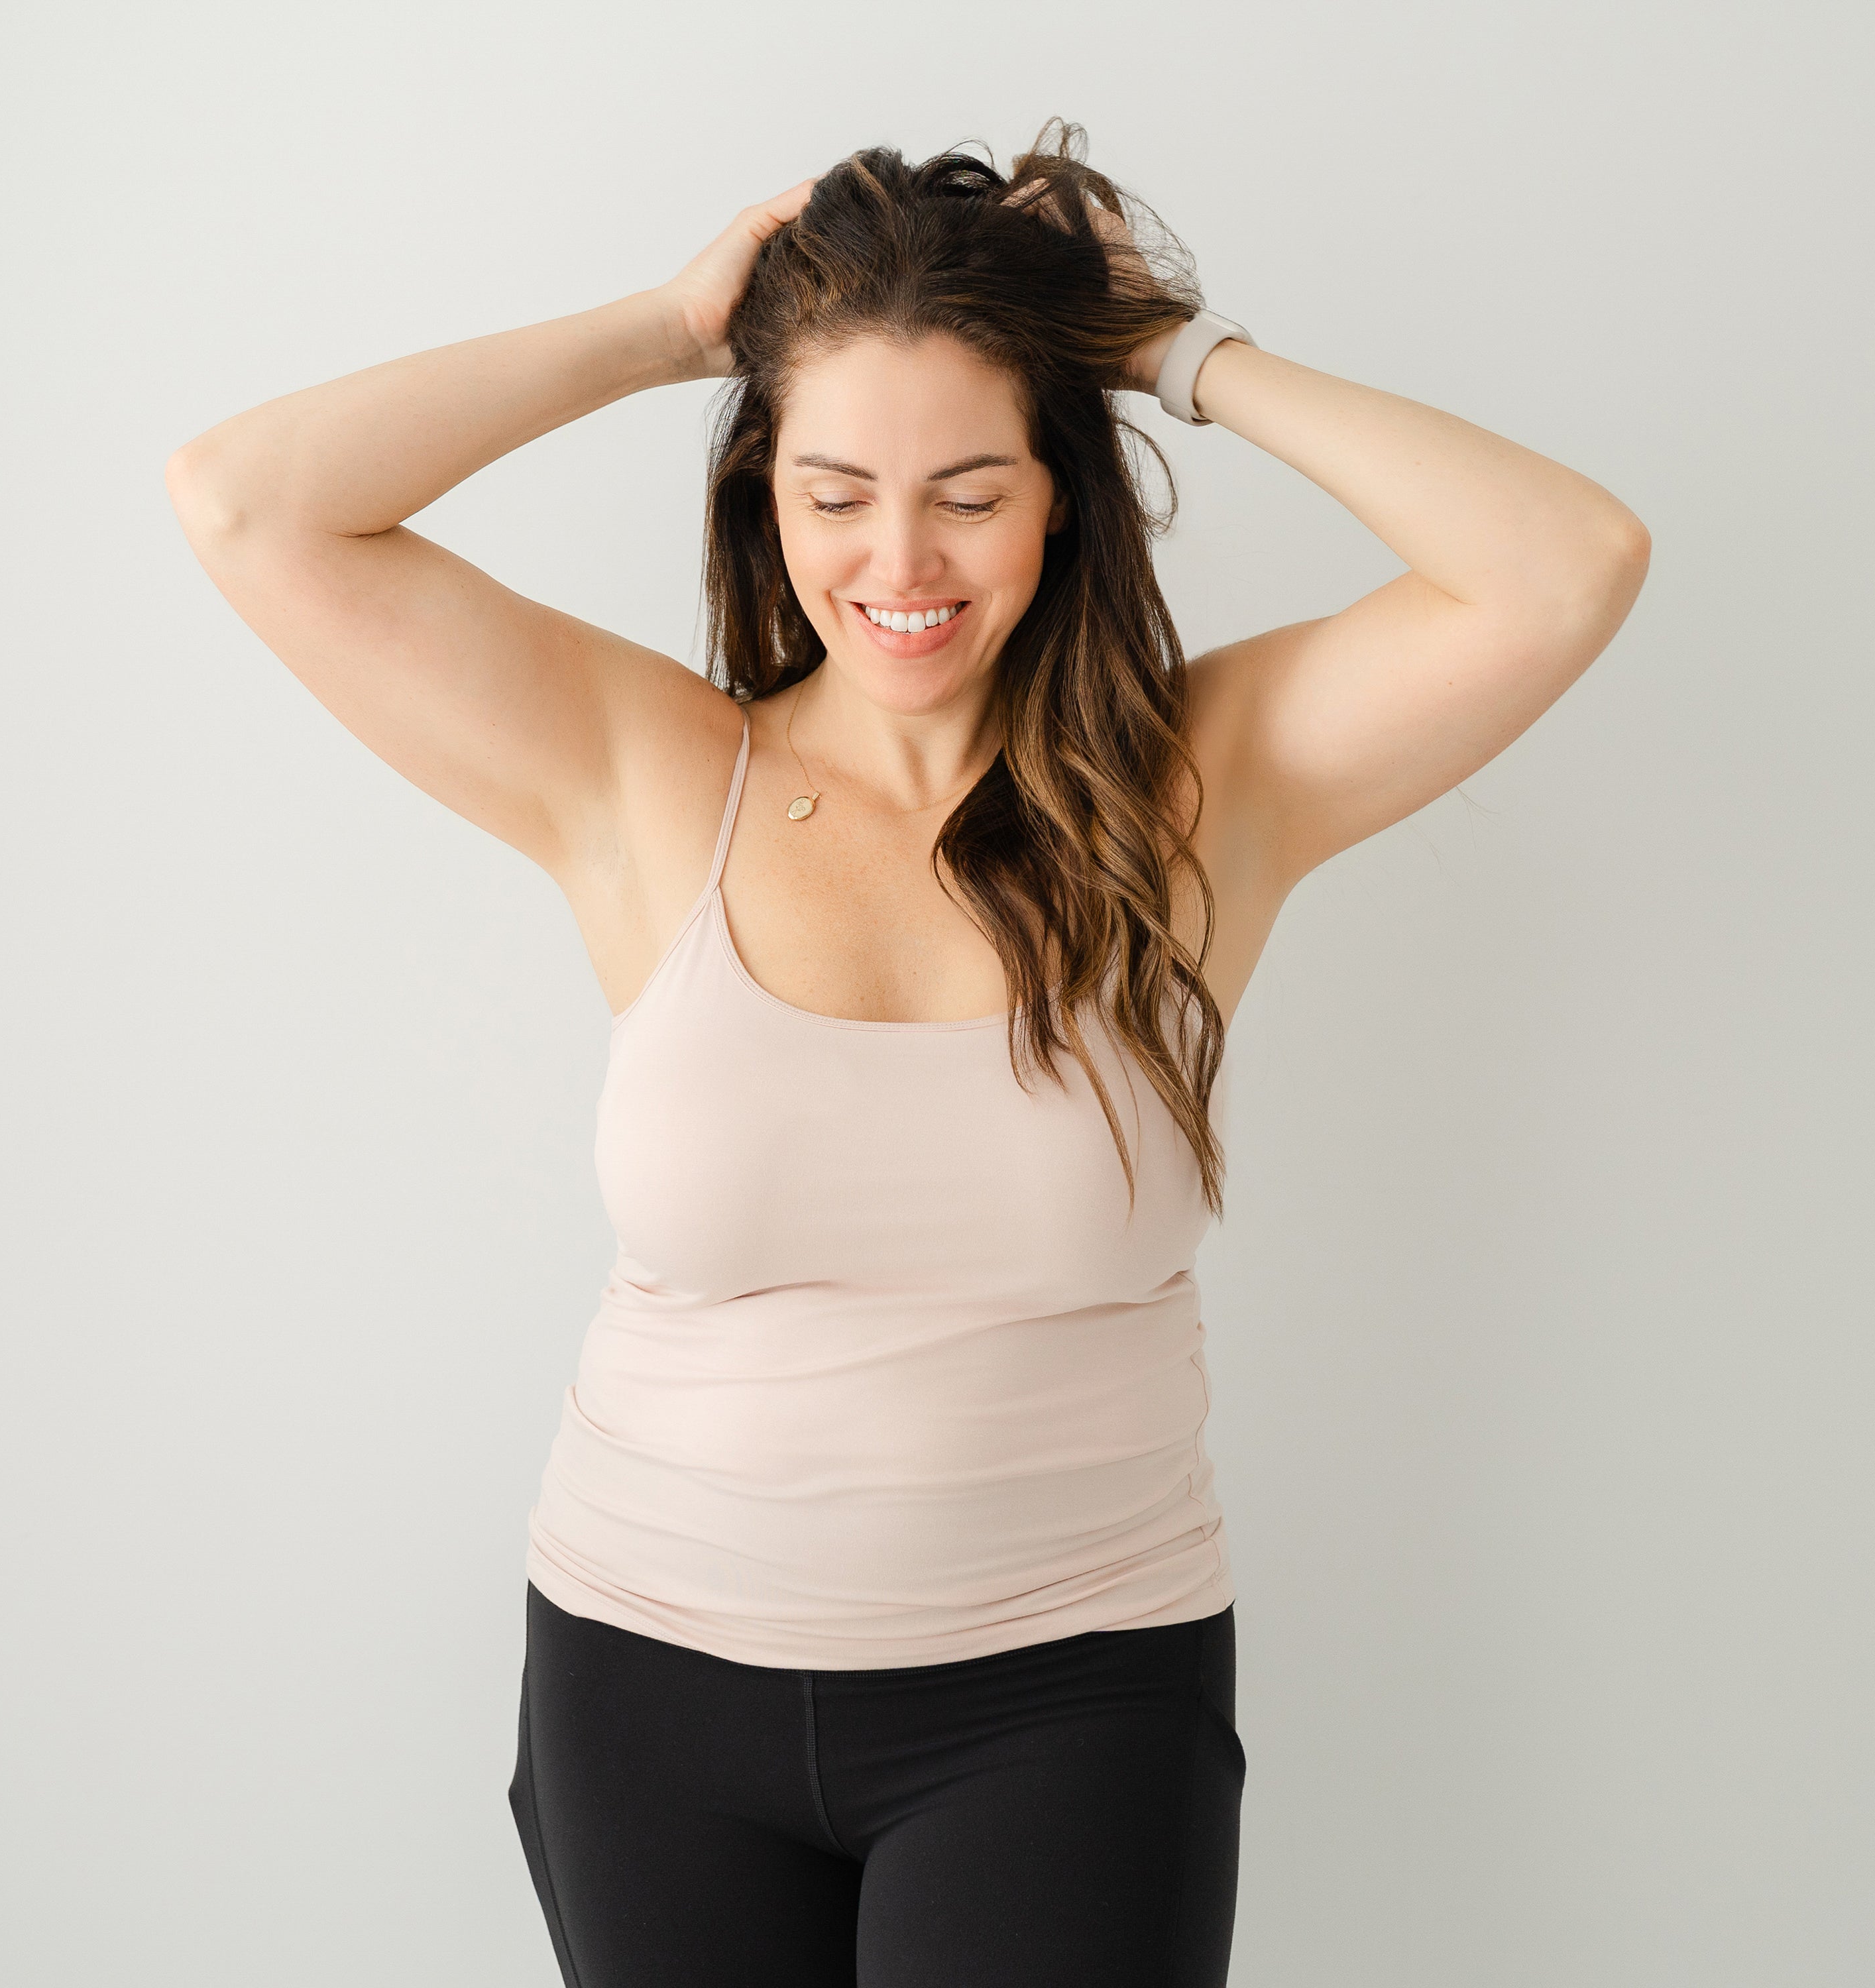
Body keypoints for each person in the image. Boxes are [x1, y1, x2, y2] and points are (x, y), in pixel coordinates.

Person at [166, 119, 1648, 1988]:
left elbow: (1570, 563)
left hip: (1067, 1703)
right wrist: (667, 326)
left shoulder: (1198, 792)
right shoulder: (650, 773)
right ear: (762, 494)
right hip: (643, 1685)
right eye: (835, 487)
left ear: (1060, 494)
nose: (899, 560)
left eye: (969, 489)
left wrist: (1181, 352)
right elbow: (247, 501)